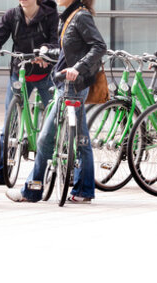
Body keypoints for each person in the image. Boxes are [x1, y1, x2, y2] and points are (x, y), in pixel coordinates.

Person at [6, 0, 104, 204]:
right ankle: (84, 190)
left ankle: (32, 190)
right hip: (65, 83)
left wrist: (77, 68)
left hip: (72, 85)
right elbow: (68, 50)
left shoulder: (80, 16)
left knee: (45, 138)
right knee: (81, 139)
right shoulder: (69, 16)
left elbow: (99, 46)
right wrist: (46, 55)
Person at [0, 0, 59, 185]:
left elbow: (56, 40)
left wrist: (46, 50)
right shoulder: (12, 15)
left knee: (57, 120)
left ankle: (66, 168)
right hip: (20, 73)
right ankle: (2, 172)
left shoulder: (50, 15)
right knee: (10, 125)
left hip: (45, 74)